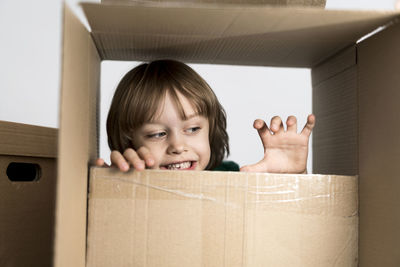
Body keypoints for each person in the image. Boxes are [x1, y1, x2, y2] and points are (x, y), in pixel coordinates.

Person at [96, 59, 315, 173]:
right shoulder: (127, 178)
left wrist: (292, 177)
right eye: (157, 134)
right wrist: (115, 183)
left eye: (192, 129)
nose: (178, 146)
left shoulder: (230, 177)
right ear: (129, 142)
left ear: (211, 131)